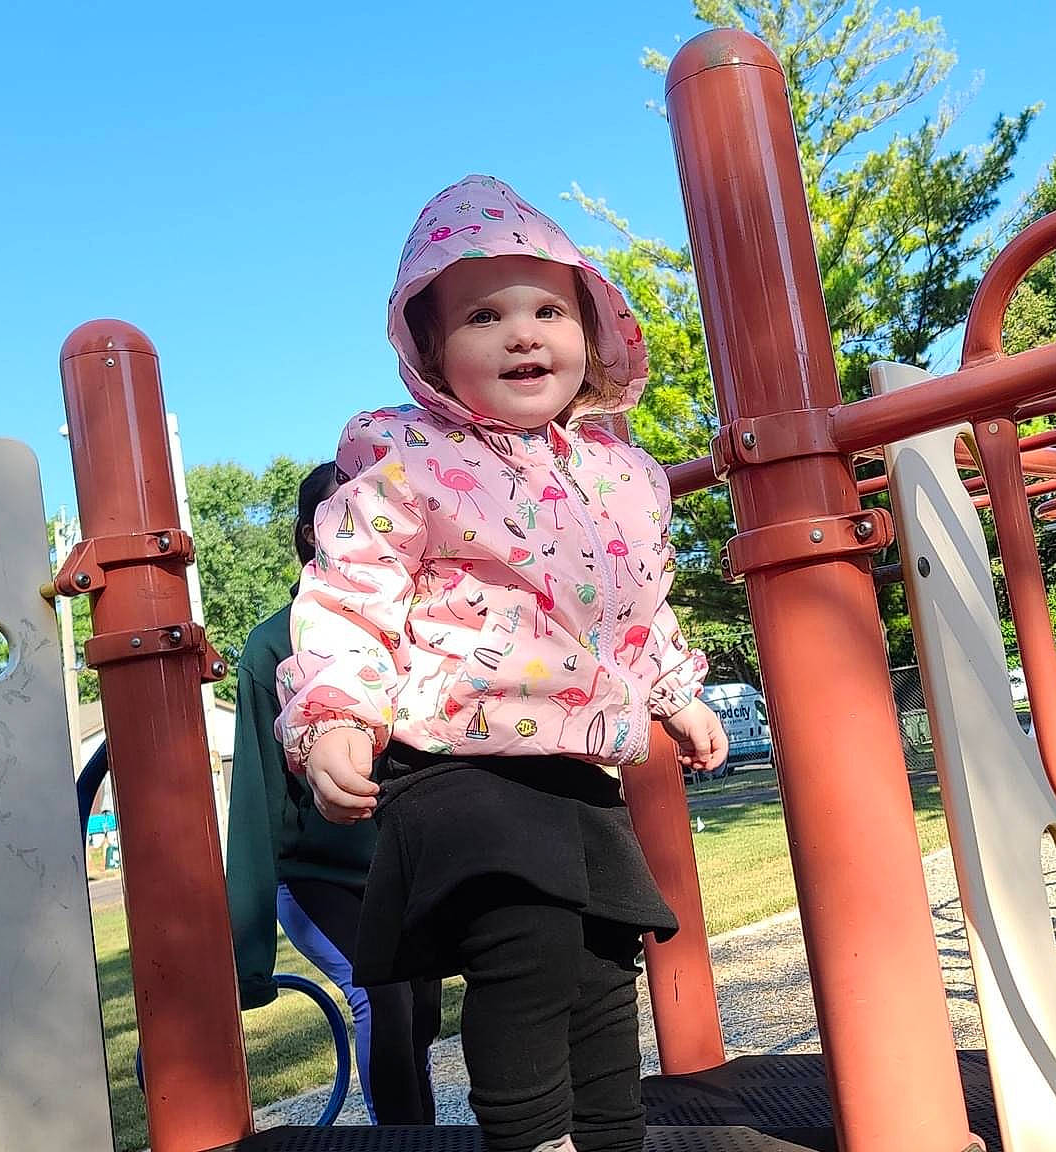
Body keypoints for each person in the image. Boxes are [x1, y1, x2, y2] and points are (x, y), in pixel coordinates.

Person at [276, 174, 727, 1152]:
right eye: (484, 316)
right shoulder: (403, 459)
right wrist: (336, 717)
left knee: (602, 959)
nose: (523, 334)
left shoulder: (617, 477)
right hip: (456, 761)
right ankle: (532, 1139)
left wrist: (674, 692)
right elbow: (350, 596)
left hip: (575, 766)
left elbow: (635, 605)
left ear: (592, 333)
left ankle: (609, 1137)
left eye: (548, 312)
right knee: (527, 944)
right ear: (431, 349)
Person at [225, 462, 442, 1125]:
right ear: (309, 535)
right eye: (341, 512)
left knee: (423, 1011)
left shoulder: (414, 629)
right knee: (383, 992)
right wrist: (247, 953)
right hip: (320, 877)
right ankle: (404, 1139)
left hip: (401, 869)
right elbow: (257, 799)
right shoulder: (273, 645)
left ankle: (421, 1130)